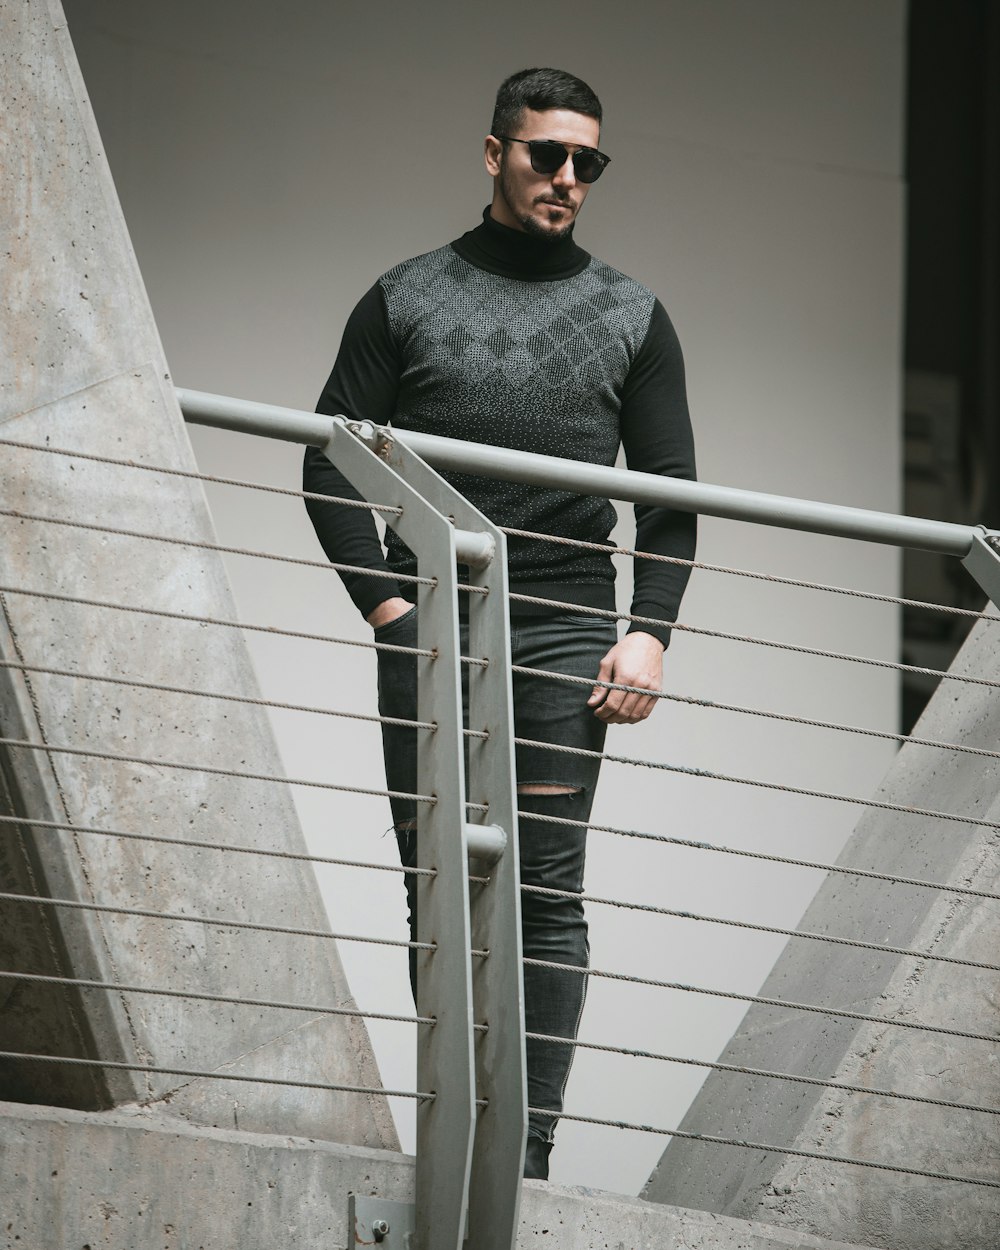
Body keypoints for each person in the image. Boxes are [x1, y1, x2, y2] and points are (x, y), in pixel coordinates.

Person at [303, 67, 696, 1180]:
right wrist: (389, 610)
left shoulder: (632, 315)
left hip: (567, 634)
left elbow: (672, 494)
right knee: (437, 880)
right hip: (432, 627)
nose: (566, 178)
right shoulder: (407, 295)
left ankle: (520, 1161)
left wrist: (649, 630)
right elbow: (326, 461)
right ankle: (449, 1144)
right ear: (493, 155)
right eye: (545, 156)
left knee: (544, 894)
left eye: (587, 163)